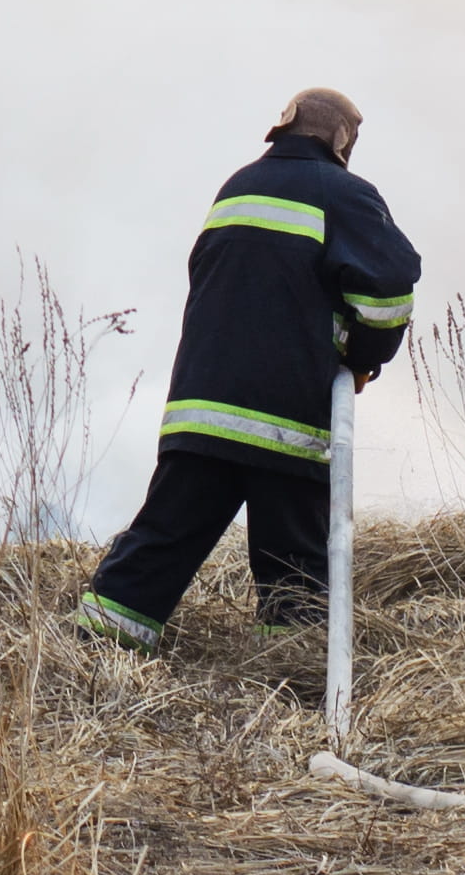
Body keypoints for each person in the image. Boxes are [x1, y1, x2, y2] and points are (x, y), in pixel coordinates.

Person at [76, 87, 420, 650]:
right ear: (342, 140)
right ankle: (294, 673)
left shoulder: (237, 186)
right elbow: (387, 292)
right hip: (285, 419)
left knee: (162, 540)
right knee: (295, 568)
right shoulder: (346, 195)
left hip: (202, 413)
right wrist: (362, 360)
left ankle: (94, 655)